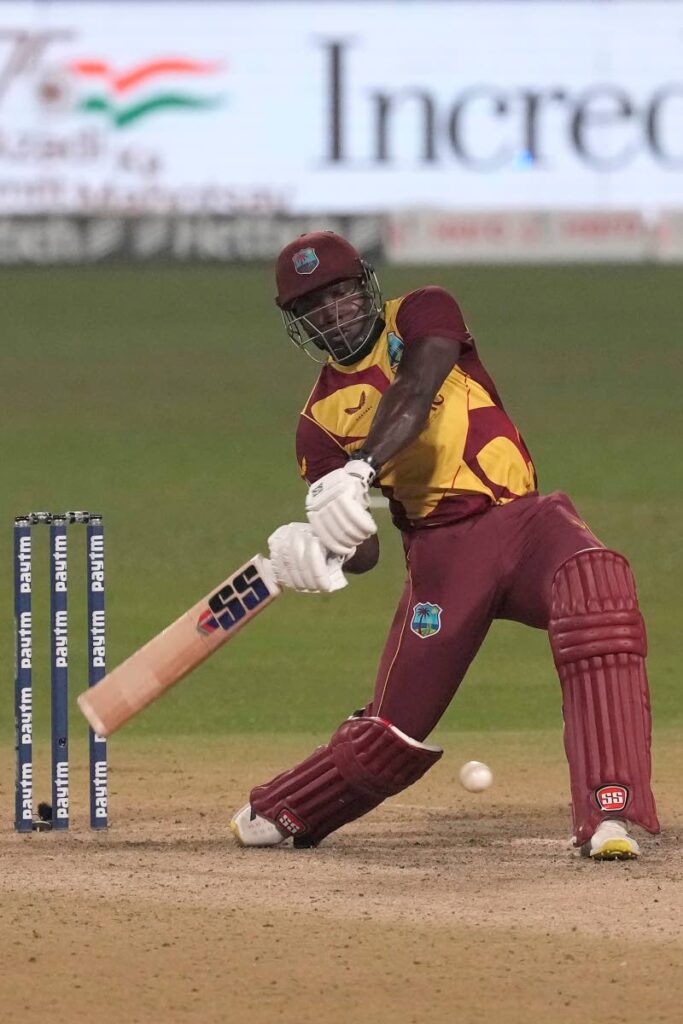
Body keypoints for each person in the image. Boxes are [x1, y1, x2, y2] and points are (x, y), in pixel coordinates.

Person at [230, 230, 660, 860]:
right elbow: (366, 549)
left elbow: (419, 384)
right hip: (442, 562)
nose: (336, 310)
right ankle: (284, 805)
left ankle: (610, 813)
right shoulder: (318, 425)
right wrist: (320, 548)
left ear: (365, 287)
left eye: (343, 292)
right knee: (392, 732)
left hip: (527, 523)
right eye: (314, 305)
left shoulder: (424, 311)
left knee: (598, 587)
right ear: (298, 323)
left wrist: (362, 469)